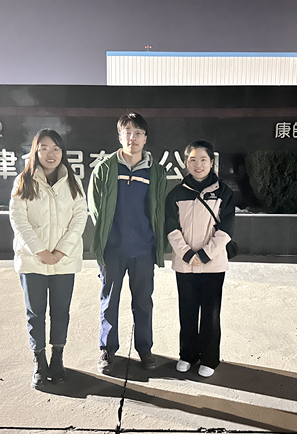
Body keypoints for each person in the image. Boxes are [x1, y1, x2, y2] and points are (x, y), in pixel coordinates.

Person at [88, 112, 167, 374]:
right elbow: (95, 208)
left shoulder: (155, 171)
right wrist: (108, 237)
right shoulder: (105, 168)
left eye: (138, 133)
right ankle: (107, 349)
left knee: (143, 302)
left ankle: (145, 348)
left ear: (145, 138)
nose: (133, 138)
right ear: (120, 136)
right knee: (109, 302)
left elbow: (158, 209)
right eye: (127, 132)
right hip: (113, 249)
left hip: (144, 249)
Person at [9, 129, 87, 389]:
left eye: (56, 148)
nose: (50, 154)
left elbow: (80, 217)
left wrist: (61, 251)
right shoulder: (24, 181)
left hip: (64, 261)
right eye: (44, 148)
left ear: (63, 152)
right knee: (35, 313)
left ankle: (57, 358)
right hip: (33, 262)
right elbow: (18, 220)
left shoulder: (72, 182)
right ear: (36, 151)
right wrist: (40, 251)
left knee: (61, 312)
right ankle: (39, 362)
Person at [164, 140, 235, 378]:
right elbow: (171, 227)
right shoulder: (176, 193)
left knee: (210, 314)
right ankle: (187, 355)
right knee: (187, 311)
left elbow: (226, 230)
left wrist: (204, 255)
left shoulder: (224, 192)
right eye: (193, 160)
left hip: (213, 265)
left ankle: (209, 358)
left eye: (203, 159)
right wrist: (187, 254)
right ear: (186, 163)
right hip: (184, 265)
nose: (198, 164)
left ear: (211, 162)